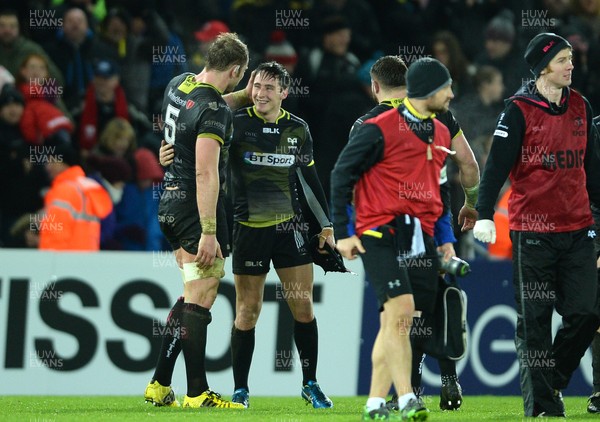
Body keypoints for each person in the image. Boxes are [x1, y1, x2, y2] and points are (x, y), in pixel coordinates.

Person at [158, 61, 337, 409]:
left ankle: (310, 383)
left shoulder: (298, 129)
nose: (261, 93)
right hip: (247, 229)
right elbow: (191, 131)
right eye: (256, 86)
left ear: (285, 93)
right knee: (247, 311)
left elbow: (310, 180)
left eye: (270, 88)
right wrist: (168, 152)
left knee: (302, 306)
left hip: (290, 230)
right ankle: (241, 389)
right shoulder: (234, 123)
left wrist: (326, 225)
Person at [473, 32, 600, 417]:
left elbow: (593, 173)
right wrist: (483, 214)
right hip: (533, 233)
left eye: (571, 59)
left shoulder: (580, 105)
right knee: (535, 322)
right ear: (543, 66)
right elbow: (495, 168)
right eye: (563, 59)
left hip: (578, 229)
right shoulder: (517, 110)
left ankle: (554, 377)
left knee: (587, 312)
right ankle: (544, 406)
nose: (571, 65)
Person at [350, 55, 479, 413]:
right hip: (433, 224)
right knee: (435, 301)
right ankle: (439, 381)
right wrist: (471, 204)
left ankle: (405, 392)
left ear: (375, 86)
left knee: (397, 314)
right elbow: (467, 164)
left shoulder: (367, 122)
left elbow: (352, 183)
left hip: (384, 232)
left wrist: (349, 230)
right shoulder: (440, 118)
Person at [331, 57, 456, 421]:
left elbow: (440, 191)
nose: (451, 94)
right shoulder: (379, 127)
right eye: (446, 87)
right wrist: (343, 233)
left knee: (395, 322)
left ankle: (373, 403)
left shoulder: (443, 133)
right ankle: (406, 399)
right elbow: (341, 174)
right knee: (401, 311)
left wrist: (444, 239)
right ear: (430, 91)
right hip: (378, 231)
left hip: (422, 237)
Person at [143, 32, 249, 409]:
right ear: (235, 70)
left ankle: (158, 384)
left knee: (191, 295)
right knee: (202, 297)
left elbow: (188, 120)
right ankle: (197, 392)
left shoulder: (180, 83)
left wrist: (247, 94)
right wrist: (209, 231)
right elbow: (207, 174)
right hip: (194, 208)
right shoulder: (215, 112)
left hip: (169, 202)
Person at [38, 144, 113, 251]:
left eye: (53, 161)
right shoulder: (88, 187)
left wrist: (49, 260)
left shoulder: (63, 191)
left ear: (65, 164)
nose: (47, 167)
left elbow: (55, 234)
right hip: (86, 258)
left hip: (62, 260)